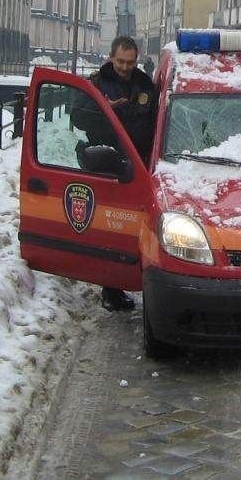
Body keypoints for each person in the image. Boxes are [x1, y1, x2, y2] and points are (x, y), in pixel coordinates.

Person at [71, 36, 158, 311]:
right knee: (109, 228)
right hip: (104, 162)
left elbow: (154, 121)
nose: (124, 67)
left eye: (130, 62)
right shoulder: (96, 83)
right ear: (111, 57)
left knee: (133, 226)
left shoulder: (145, 84)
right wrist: (103, 109)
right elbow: (76, 117)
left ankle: (133, 276)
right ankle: (111, 288)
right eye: (120, 61)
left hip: (137, 165)